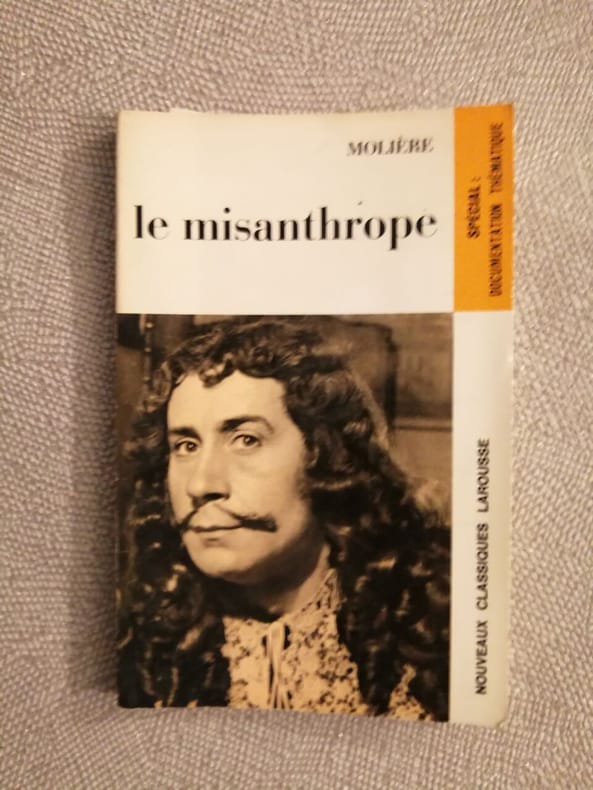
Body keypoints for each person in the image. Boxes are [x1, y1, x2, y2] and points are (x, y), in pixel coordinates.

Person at [118, 316, 450, 719]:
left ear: (326, 457)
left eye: (246, 439)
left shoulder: (437, 630)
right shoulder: (138, 644)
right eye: (186, 445)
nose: (201, 484)